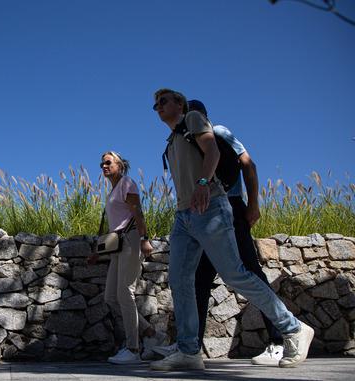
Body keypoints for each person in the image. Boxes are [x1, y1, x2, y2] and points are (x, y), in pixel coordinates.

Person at [149, 88, 314, 371]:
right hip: (183, 217)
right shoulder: (172, 140)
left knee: (236, 274)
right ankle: (189, 351)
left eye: (163, 101)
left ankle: (294, 328)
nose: (158, 107)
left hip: (211, 206)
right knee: (180, 280)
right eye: (155, 105)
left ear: (180, 103)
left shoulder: (194, 118)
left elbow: (212, 150)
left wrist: (203, 184)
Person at [88, 151, 166, 364]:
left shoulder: (126, 183)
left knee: (125, 292)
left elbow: (137, 213)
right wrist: (98, 251)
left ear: (120, 165)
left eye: (107, 162)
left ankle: (133, 349)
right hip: (116, 244)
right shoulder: (113, 190)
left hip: (131, 240)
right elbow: (113, 224)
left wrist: (145, 238)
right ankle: (152, 335)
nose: (103, 166)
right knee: (110, 297)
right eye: (101, 163)